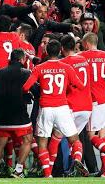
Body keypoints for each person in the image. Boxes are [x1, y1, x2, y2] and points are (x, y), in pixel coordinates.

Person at [23, 40, 89, 177]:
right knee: (75, 140)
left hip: (46, 108)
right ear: (60, 51)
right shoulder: (67, 68)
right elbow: (81, 85)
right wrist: (68, 87)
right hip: (62, 108)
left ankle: (48, 175)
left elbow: (25, 87)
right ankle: (77, 159)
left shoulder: (40, 68)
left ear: (46, 51)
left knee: (42, 142)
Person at [0, 49, 35, 178]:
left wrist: (2, 104)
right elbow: (35, 90)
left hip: (2, 115)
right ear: (22, 60)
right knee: (27, 139)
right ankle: (18, 170)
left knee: (0, 142)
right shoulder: (26, 73)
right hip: (19, 113)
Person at [80, 32, 105, 174]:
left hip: (94, 102)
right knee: (102, 136)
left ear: (86, 43)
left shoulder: (82, 57)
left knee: (91, 136)